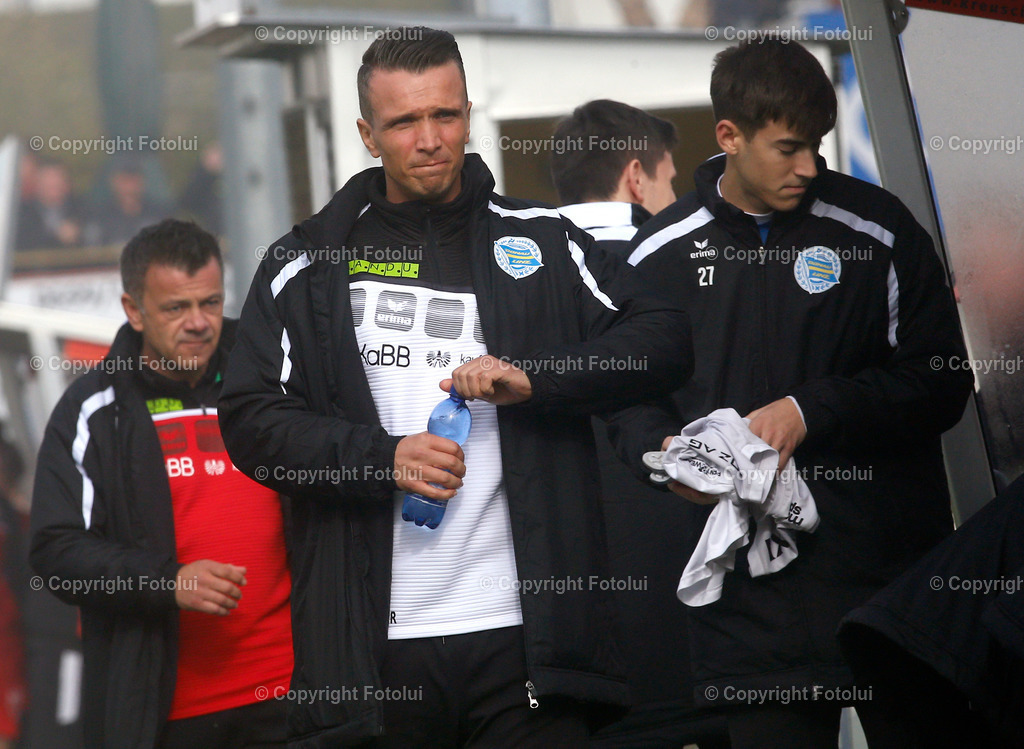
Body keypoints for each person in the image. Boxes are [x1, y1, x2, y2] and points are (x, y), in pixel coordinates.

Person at [218, 26, 692, 749]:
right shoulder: (305, 262)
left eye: (445, 114)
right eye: (404, 121)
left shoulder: (542, 239)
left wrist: (538, 378)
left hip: (527, 644)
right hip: (377, 655)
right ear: (367, 135)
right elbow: (251, 420)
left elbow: (664, 338)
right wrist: (383, 458)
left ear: (468, 115)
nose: (430, 139)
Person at [613, 38, 973, 747]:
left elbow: (940, 381)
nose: (808, 166)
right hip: (749, 611)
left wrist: (812, 410)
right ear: (729, 136)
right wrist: (664, 454)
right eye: (788, 148)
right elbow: (626, 398)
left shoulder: (879, 229)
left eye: (816, 145)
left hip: (889, 590)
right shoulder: (657, 254)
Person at [30, 219, 292, 748]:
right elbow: (57, 551)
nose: (198, 323)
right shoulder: (94, 411)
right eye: (176, 308)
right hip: (166, 712)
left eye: (210, 303)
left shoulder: (274, 383)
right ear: (134, 310)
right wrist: (167, 582)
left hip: (292, 697)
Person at [550, 101, 729, 748]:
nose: (674, 197)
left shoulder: (514, 275)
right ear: (635, 175)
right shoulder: (683, 266)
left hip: (566, 646)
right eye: (669, 179)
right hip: (698, 616)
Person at [551, 99, 678, 258]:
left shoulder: (531, 255)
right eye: (670, 182)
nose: (675, 199)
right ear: (637, 179)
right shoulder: (664, 258)